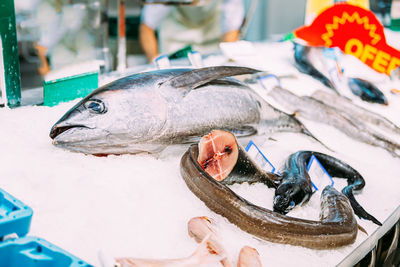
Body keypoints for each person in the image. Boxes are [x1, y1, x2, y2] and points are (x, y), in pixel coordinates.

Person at [139, 0, 244, 62]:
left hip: (213, 45)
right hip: (175, 47)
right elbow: (147, 27)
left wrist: (226, 60)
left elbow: (231, 29)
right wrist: (155, 60)